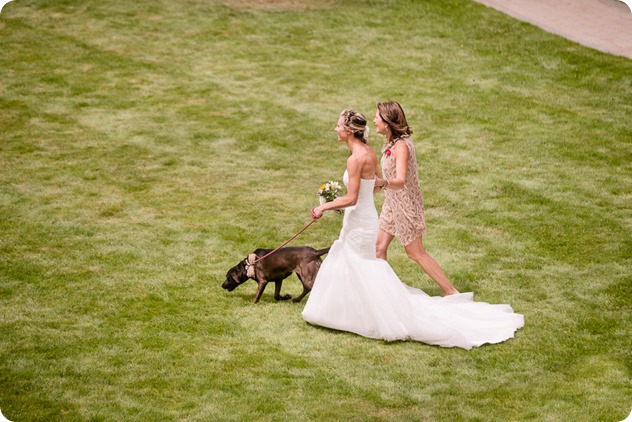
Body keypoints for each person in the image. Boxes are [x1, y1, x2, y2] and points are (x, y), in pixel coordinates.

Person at [302, 109, 523, 349]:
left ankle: (385, 311)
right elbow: (374, 187)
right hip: (366, 217)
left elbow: (354, 198)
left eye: (337, 126)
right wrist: (347, 198)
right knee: (366, 259)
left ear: (348, 131)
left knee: (368, 262)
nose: (335, 129)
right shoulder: (369, 151)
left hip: (361, 218)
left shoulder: (355, 158)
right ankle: (357, 310)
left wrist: (324, 207)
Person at [373, 101, 458, 296]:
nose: (374, 120)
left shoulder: (401, 146)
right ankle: (384, 294)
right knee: (378, 248)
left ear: (387, 121)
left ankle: (451, 291)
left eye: (377, 116)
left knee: (415, 252)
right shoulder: (390, 142)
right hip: (392, 203)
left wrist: (382, 183)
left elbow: (401, 180)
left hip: (405, 204)